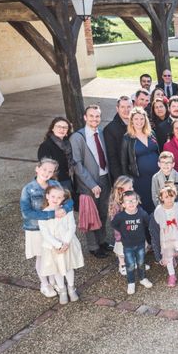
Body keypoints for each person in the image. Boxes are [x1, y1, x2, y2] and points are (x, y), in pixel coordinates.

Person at [20, 158, 74, 298]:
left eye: (50, 171)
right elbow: (26, 212)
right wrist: (51, 214)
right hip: (35, 229)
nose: (46, 173)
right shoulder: (28, 189)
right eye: (44, 169)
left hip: (54, 228)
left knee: (53, 256)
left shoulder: (55, 184)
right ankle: (45, 284)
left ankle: (54, 280)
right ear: (37, 169)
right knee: (41, 257)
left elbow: (69, 199)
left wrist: (66, 209)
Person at [70, 105, 112, 259]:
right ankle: (93, 246)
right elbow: (77, 164)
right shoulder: (78, 137)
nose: (95, 119)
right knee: (90, 214)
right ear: (85, 117)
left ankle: (102, 241)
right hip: (88, 182)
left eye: (97, 116)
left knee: (102, 213)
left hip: (104, 178)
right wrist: (91, 184)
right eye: (91, 116)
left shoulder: (101, 133)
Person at [38, 185, 84, 304]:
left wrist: (66, 242)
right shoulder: (43, 214)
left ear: (63, 198)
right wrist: (57, 245)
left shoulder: (66, 211)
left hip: (67, 244)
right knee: (57, 270)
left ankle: (71, 287)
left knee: (68, 268)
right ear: (47, 196)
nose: (55, 199)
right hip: (53, 247)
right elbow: (45, 233)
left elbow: (71, 226)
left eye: (59, 197)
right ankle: (62, 290)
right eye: (53, 196)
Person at [150, 183, 178, 287]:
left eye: (171, 196)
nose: (169, 199)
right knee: (168, 256)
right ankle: (171, 275)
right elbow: (154, 230)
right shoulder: (158, 211)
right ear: (161, 198)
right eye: (166, 197)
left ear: (175, 195)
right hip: (166, 238)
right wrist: (157, 250)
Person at [111, 191, 153, 294]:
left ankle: (143, 278)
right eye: (128, 201)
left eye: (133, 200)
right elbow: (114, 224)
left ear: (137, 201)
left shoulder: (142, 213)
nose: (131, 203)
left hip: (140, 244)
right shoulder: (120, 216)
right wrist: (123, 232)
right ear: (123, 204)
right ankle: (131, 282)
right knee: (129, 265)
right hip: (128, 245)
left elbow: (148, 222)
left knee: (141, 263)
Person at [121, 107, 160, 216]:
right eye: (136, 119)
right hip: (140, 179)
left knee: (157, 202)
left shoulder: (151, 133)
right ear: (132, 121)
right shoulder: (127, 138)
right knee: (145, 205)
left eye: (142, 119)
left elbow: (158, 151)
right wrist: (127, 182)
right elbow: (124, 161)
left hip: (156, 176)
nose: (139, 122)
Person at [108, 175, 135, 276]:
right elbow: (114, 221)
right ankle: (122, 264)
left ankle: (134, 262)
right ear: (120, 190)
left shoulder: (132, 198)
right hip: (122, 233)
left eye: (132, 187)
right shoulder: (115, 204)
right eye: (130, 188)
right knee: (122, 251)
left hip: (132, 229)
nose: (132, 189)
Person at [37, 117, 74, 191]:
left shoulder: (68, 144)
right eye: (58, 127)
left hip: (69, 180)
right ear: (52, 128)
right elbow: (45, 169)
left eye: (65, 127)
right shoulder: (46, 146)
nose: (61, 129)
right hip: (55, 183)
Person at [104, 96, 132, 183]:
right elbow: (112, 158)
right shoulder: (110, 129)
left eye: (128, 107)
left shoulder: (137, 124)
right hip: (123, 176)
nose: (126, 110)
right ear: (117, 108)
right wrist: (120, 180)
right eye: (122, 107)